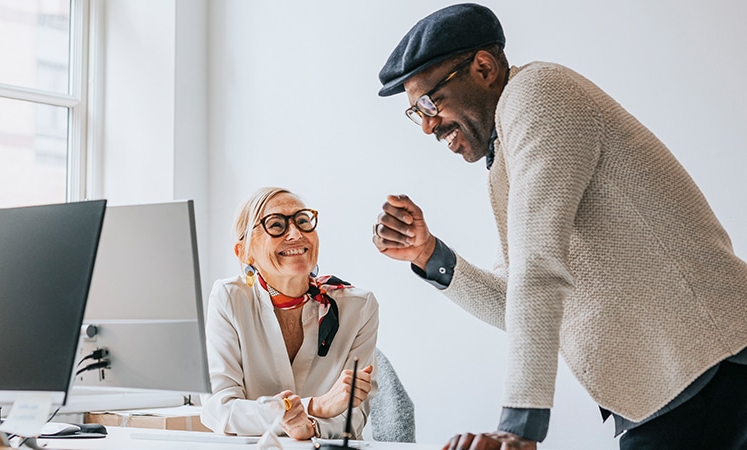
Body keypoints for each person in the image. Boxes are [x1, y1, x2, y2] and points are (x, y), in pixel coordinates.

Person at [372, 4, 747, 449]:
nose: (428, 125)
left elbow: (537, 268)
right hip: (669, 396)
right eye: (417, 112)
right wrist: (428, 255)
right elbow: (517, 303)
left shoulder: (538, 95)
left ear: (484, 68)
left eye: (430, 102)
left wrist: (518, 426)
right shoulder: (505, 158)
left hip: (715, 374)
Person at [201, 187, 378, 440]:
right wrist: (315, 406)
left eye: (303, 221)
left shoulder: (359, 306)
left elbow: (354, 415)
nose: (296, 234)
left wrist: (311, 427)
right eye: (276, 225)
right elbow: (218, 409)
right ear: (244, 252)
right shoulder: (230, 298)